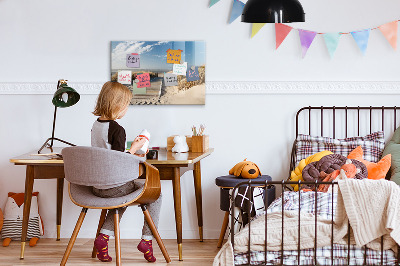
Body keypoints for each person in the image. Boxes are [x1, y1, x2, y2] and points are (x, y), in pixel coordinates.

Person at [91, 81, 161, 263]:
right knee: (156, 194)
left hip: (97, 186)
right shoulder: (117, 129)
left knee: (121, 198)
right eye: (126, 105)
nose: (127, 109)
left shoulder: (96, 125)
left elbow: (108, 154)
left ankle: (103, 238)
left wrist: (130, 149)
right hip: (114, 186)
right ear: (118, 105)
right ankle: (147, 240)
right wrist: (135, 149)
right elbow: (118, 161)